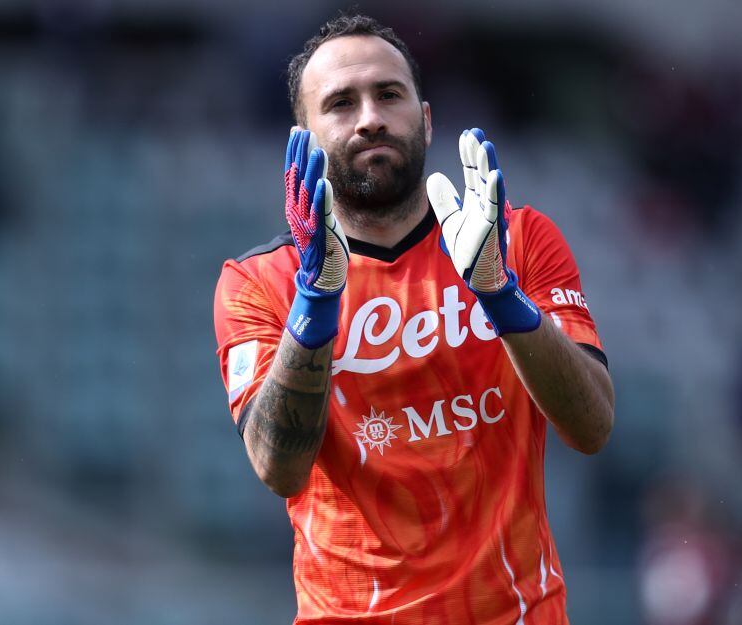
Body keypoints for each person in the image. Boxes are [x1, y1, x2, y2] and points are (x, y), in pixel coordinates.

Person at [213, 13, 614, 624]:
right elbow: (278, 466)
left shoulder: (520, 239)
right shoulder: (257, 283)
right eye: (342, 103)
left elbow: (592, 426)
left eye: (389, 94)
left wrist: (499, 294)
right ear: (304, 138)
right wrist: (316, 301)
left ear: (425, 119)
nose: (370, 116)